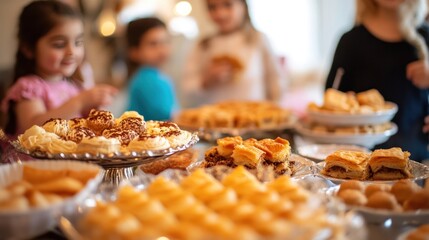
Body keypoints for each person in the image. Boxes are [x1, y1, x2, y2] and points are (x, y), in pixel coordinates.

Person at [325, 0, 429, 161]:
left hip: (417, 157)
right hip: (359, 160)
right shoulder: (350, 41)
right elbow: (329, 100)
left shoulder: (426, 37)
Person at [1, 0, 117, 135]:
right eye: (59, 44)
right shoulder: (29, 87)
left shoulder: (73, 86)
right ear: (28, 49)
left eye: (78, 42)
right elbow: (32, 128)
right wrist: (80, 102)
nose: (72, 51)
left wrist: (94, 110)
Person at [182, 0, 285, 107]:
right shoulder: (203, 46)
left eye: (228, 5)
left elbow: (275, 82)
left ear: (243, 6)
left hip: (253, 116)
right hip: (216, 118)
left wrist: (273, 109)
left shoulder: (258, 39)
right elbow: (188, 89)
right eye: (212, 7)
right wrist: (206, 81)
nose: (220, 13)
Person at [126, 17, 178, 121]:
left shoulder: (156, 76)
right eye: (153, 44)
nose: (161, 50)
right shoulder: (148, 79)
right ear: (134, 52)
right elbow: (166, 115)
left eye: (166, 41)